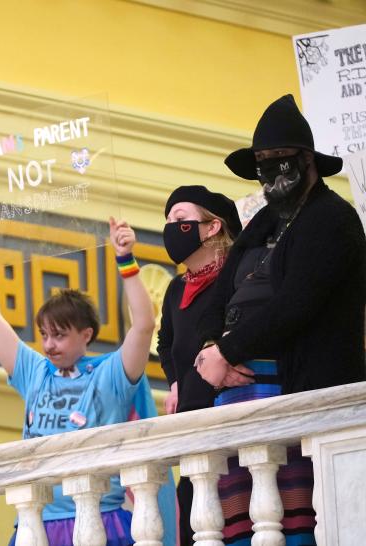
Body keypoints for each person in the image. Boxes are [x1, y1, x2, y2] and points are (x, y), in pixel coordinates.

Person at [195, 94, 366, 545]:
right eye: (262, 161)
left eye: (279, 159)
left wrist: (228, 351)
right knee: (241, 525)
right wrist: (213, 352)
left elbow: (296, 304)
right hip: (241, 397)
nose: (270, 169)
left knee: (296, 525)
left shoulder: (333, 219)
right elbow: (219, 299)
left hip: (300, 396)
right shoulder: (262, 223)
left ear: (306, 160)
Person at [0, 217, 176, 546]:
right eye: (44, 335)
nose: (49, 344)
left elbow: (143, 324)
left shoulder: (110, 376)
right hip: (38, 523)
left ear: (87, 335)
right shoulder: (35, 372)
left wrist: (126, 259)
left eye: (60, 335)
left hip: (101, 518)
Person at [156, 185, 242, 545]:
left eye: (181, 219)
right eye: (167, 221)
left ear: (212, 226)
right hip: (191, 427)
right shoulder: (176, 289)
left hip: (231, 420)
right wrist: (175, 381)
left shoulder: (236, 277)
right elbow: (165, 343)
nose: (171, 228)